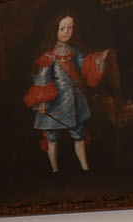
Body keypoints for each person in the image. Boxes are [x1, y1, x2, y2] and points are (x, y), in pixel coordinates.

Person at [25, 15, 101, 174]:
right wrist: (42, 102)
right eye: (62, 28)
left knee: (79, 133)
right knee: (52, 137)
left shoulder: (74, 51)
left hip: (74, 103)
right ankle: (55, 170)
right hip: (55, 104)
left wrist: (98, 61)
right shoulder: (49, 56)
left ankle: (85, 168)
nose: (67, 32)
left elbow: (85, 66)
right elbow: (43, 79)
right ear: (54, 30)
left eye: (70, 27)